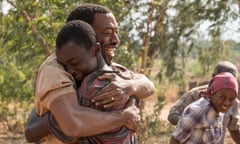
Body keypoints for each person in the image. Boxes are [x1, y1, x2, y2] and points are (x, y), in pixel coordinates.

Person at [25, 3, 154, 143]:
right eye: (107, 33)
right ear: (86, 34)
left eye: (116, 32)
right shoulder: (55, 69)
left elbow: (148, 84)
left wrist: (129, 87)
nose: (116, 40)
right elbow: (73, 124)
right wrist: (123, 117)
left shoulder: (99, 64)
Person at [168, 61, 240, 143]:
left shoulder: (232, 103)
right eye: (222, 97)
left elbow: (234, 129)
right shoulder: (194, 95)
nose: (227, 102)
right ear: (214, 77)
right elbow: (172, 116)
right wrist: (191, 122)